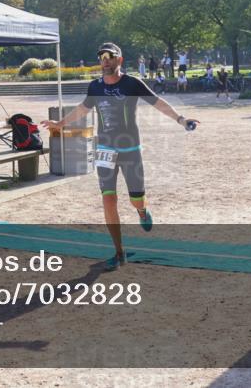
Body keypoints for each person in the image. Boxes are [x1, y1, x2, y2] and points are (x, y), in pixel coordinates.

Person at [41, 43, 199, 271]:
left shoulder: (131, 83)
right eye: (101, 57)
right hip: (105, 150)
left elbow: (158, 103)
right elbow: (82, 109)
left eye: (110, 56)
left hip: (130, 151)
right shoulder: (95, 87)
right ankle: (119, 251)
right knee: (108, 198)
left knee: (136, 199)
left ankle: (142, 210)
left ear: (119, 60)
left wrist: (181, 120)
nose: (105, 60)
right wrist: (60, 124)